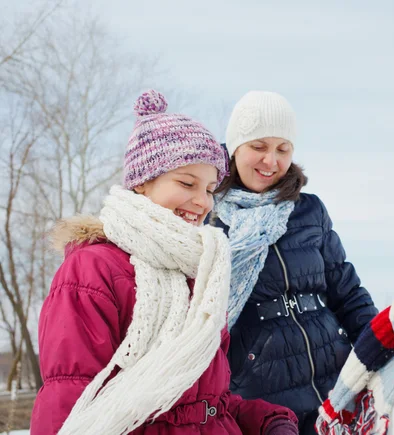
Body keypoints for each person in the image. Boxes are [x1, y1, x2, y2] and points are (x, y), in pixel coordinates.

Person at [30, 90, 298, 435]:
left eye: (209, 189)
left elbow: (203, 398)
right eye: (187, 183)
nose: (201, 202)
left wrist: (265, 420)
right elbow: (69, 398)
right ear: (143, 181)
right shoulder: (93, 271)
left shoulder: (198, 270)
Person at [209, 90, 378, 433]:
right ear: (235, 147)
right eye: (258, 147)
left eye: (282, 150)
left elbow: (346, 291)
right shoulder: (210, 219)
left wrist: (380, 345)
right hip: (264, 398)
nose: (270, 161)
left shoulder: (308, 209)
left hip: (335, 381)